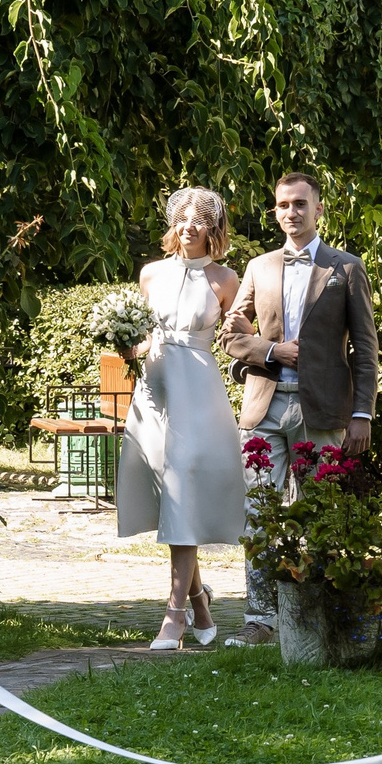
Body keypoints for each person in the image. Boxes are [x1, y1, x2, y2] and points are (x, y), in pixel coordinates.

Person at [221, 170, 378, 647]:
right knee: (258, 513)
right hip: (264, 407)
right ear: (275, 211)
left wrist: (362, 414)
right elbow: (231, 337)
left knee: (321, 513)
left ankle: (318, 615)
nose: (292, 212)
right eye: (283, 205)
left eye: (300, 204)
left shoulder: (346, 268)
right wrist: (272, 351)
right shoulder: (258, 266)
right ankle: (260, 619)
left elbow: (365, 348)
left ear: (318, 209)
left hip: (323, 411)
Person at [115, 187, 248, 649]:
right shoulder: (150, 274)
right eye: (182, 218)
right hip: (155, 390)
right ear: (173, 223)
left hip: (199, 389)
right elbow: (142, 336)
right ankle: (200, 603)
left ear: (213, 228)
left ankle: (174, 616)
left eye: (199, 220)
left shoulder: (226, 279)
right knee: (172, 497)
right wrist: (127, 346)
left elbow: (237, 338)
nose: (189, 227)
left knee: (185, 489)